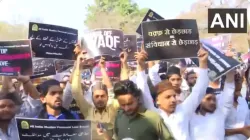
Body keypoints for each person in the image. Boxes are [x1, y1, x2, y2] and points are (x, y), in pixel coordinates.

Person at [99, 50, 174, 140]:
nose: (126, 108)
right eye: (123, 105)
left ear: (137, 98)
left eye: (130, 103)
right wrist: (105, 136)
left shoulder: (153, 118)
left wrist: (141, 66)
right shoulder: (119, 117)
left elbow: (143, 87)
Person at [140, 47, 209, 140]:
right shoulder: (155, 114)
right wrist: (140, 66)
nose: (173, 100)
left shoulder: (184, 110)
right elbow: (143, 92)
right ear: (157, 101)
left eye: (174, 96)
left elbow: (199, 90)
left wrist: (203, 63)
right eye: (168, 97)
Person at [71, 52, 118, 140]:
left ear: (107, 97)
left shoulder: (113, 108)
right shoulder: (88, 110)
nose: (100, 99)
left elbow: (111, 90)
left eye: (102, 96)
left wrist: (103, 69)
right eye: (96, 96)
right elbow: (76, 92)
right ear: (92, 98)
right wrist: (78, 66)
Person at [189, 70, 235, 140]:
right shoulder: (190, 116)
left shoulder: (220, 113)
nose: (212, 102)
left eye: (214, 99)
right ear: (200, 100)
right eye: (208, 99)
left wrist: (231, 70)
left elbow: (229, 90)